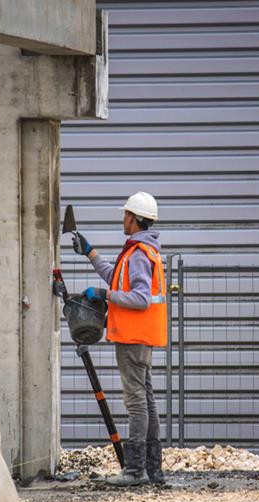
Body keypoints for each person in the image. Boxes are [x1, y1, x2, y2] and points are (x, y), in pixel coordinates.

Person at [72, 191, 167, 486]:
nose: (122, 219)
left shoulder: (139, 253)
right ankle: (153, 471)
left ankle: (135, 471)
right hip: (142, 338)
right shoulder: (142, 251)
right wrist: (90, 253)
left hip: (132, 338)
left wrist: (104, 295)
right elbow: (116, 277)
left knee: (136, 403)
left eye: (125, 214)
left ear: (134, 218)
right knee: (147, 401)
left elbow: (139, 298)